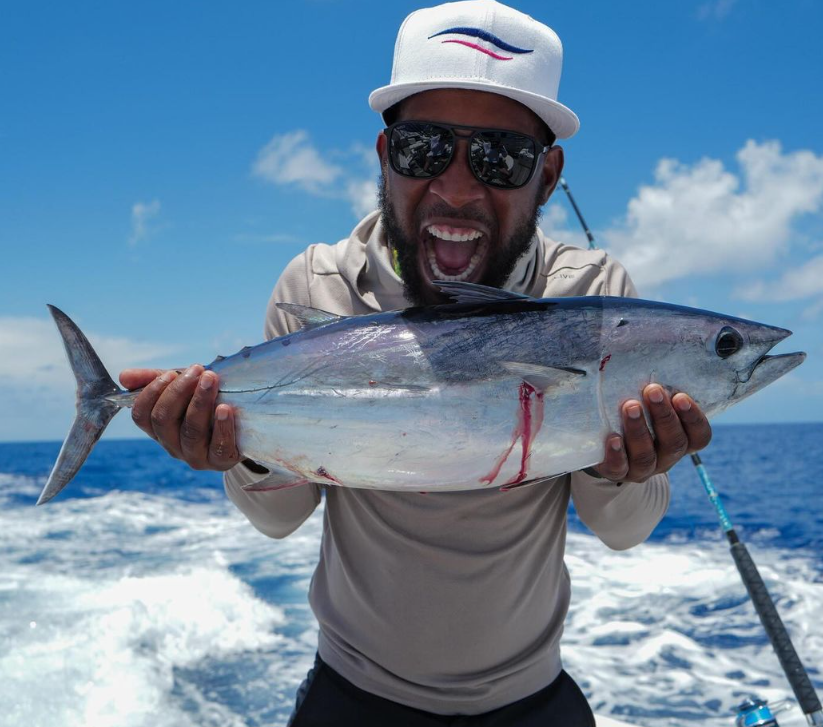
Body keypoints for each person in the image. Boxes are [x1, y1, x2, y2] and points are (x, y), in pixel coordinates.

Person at [120, 1, 712, 724]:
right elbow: (280, 518)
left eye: (501, 157)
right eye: (423, 149)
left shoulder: (592, 299)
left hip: (526, 696)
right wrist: (237, 452)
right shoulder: (317, 286)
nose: (457, 189)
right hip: (353, 692)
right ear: (383, 156)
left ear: (548, 175)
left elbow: (623, 530)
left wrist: (620, 462)